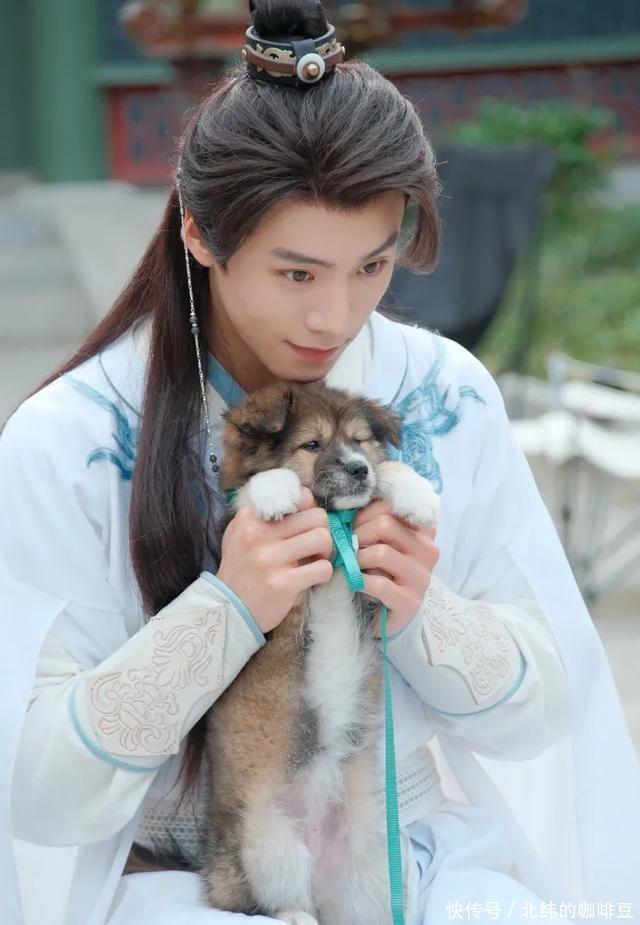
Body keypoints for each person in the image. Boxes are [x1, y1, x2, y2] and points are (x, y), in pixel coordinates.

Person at [2, 2, 639, 923]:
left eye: (372, 267)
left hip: (402, 852)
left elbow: (545, 711)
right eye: (297, 273)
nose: (335, 318)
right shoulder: (71, 438)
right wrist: (225, 611)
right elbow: (39, 792)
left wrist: (423, 608)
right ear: (199, 235)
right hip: (177, 877)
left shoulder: (443, 390)